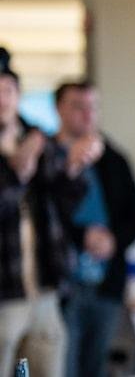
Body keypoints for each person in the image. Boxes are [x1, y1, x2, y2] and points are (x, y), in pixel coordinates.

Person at [43, 81, 135, 377]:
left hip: (106, 281)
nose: (87, 115)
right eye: (78, 106)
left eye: (93, 107)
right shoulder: (45, 159)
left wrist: (114, 241)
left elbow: (134, 214)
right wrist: (81, 237)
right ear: (59, 109)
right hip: (61, 281)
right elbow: (45, 213)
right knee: (63, 365)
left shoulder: (114, 158)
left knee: (99, 365)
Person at [0, 48, 70, 377]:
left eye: (8, 91)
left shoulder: (39, 140)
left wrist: (73, 168)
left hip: (43, 286)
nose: (2, 99)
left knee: (46, 367)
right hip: (4, 290)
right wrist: (16, 174)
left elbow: (67, 200)